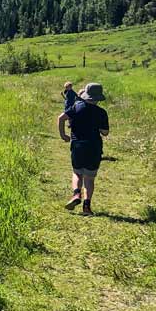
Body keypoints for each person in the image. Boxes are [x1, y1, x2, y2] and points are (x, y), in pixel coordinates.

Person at [58, 82, 110, 216]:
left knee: (77, 173)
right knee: (89, 178)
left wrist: (63, 134)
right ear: (99, 98)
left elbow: (61, 118)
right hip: (94, 147)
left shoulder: (77, 107)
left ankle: (76, 195)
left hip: (77, 145)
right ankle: (87, 206)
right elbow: (105, 132)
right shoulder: (101, 112)